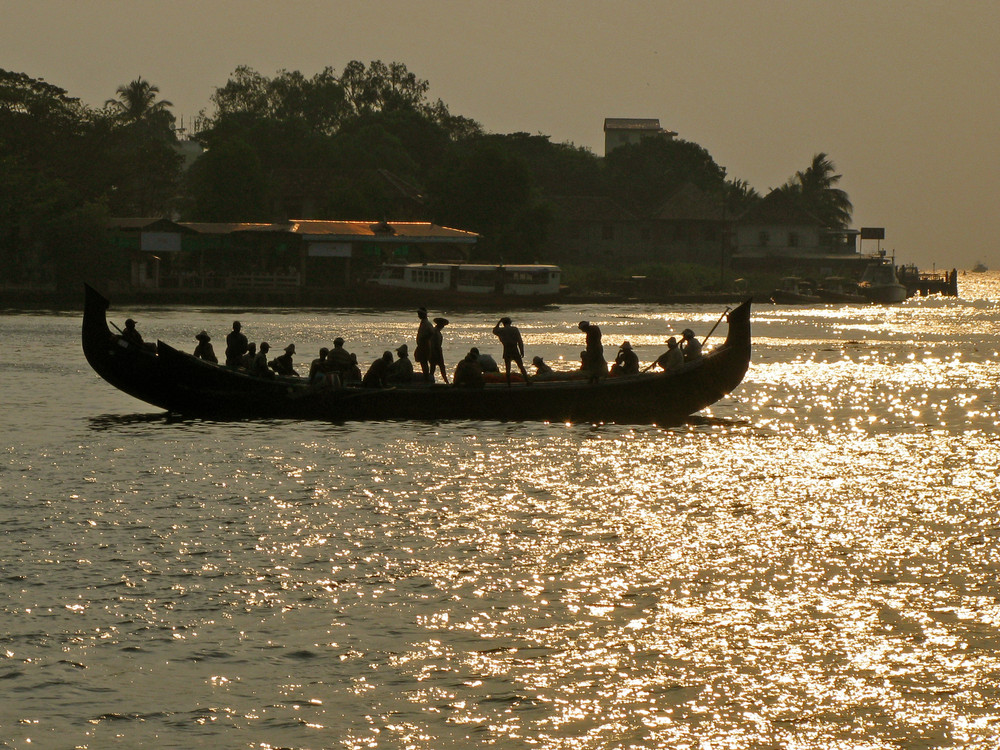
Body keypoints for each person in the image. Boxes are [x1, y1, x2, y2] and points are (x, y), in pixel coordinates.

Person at [493, 316, 531, 386]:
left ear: (503, 323)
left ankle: (509, 384)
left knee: (508, 368)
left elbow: (494, 331)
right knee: (521, 366)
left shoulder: (501, 330)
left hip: (506, 349)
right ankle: (527, 381)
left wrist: (499, 322)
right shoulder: (515, 329)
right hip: (514, 348)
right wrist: (522, 350)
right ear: (510, 322)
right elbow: (520, 341)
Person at [414, 307, 435, 382]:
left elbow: (431, 332)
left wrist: (424, 339)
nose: (418, 315)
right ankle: (426, 377)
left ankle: (426, 378)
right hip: (422, 345)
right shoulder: (423, 323)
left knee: (424, 361)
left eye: (419, 314)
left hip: (424, 345)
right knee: (423, 362)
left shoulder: (427, 323)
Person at [429, 317, 449, 384]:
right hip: (436, 352)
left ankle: (430, 381)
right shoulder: (435, 332)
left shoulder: (436, 331)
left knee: (433, 368)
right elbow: (435, 344)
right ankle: (446, 382)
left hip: (435, 351)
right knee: (440, 367)